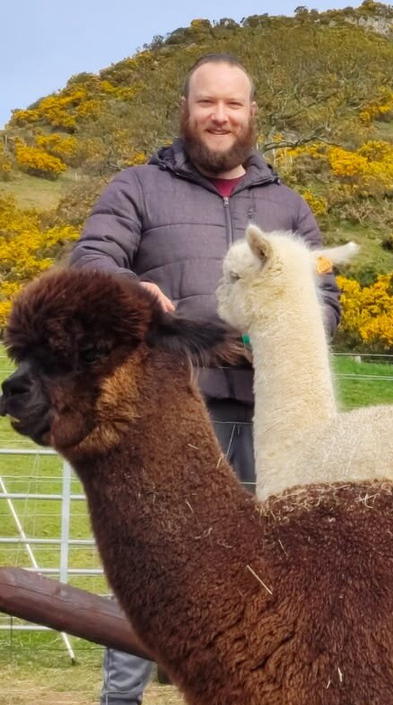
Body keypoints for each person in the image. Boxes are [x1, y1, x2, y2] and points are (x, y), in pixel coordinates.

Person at [69, 53, 342, 705]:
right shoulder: (135, 189)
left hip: (272, 421)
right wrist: (134, 293)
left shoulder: (289, 207)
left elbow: (324, 302)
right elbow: (93, 259)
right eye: (206, 102)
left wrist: (270, 338)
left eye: (233, 104)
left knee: (280, 565)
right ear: (186, 111)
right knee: (152, 564)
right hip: (171, 421)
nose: (220, 115)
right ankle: (122, 699)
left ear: (252, 115)